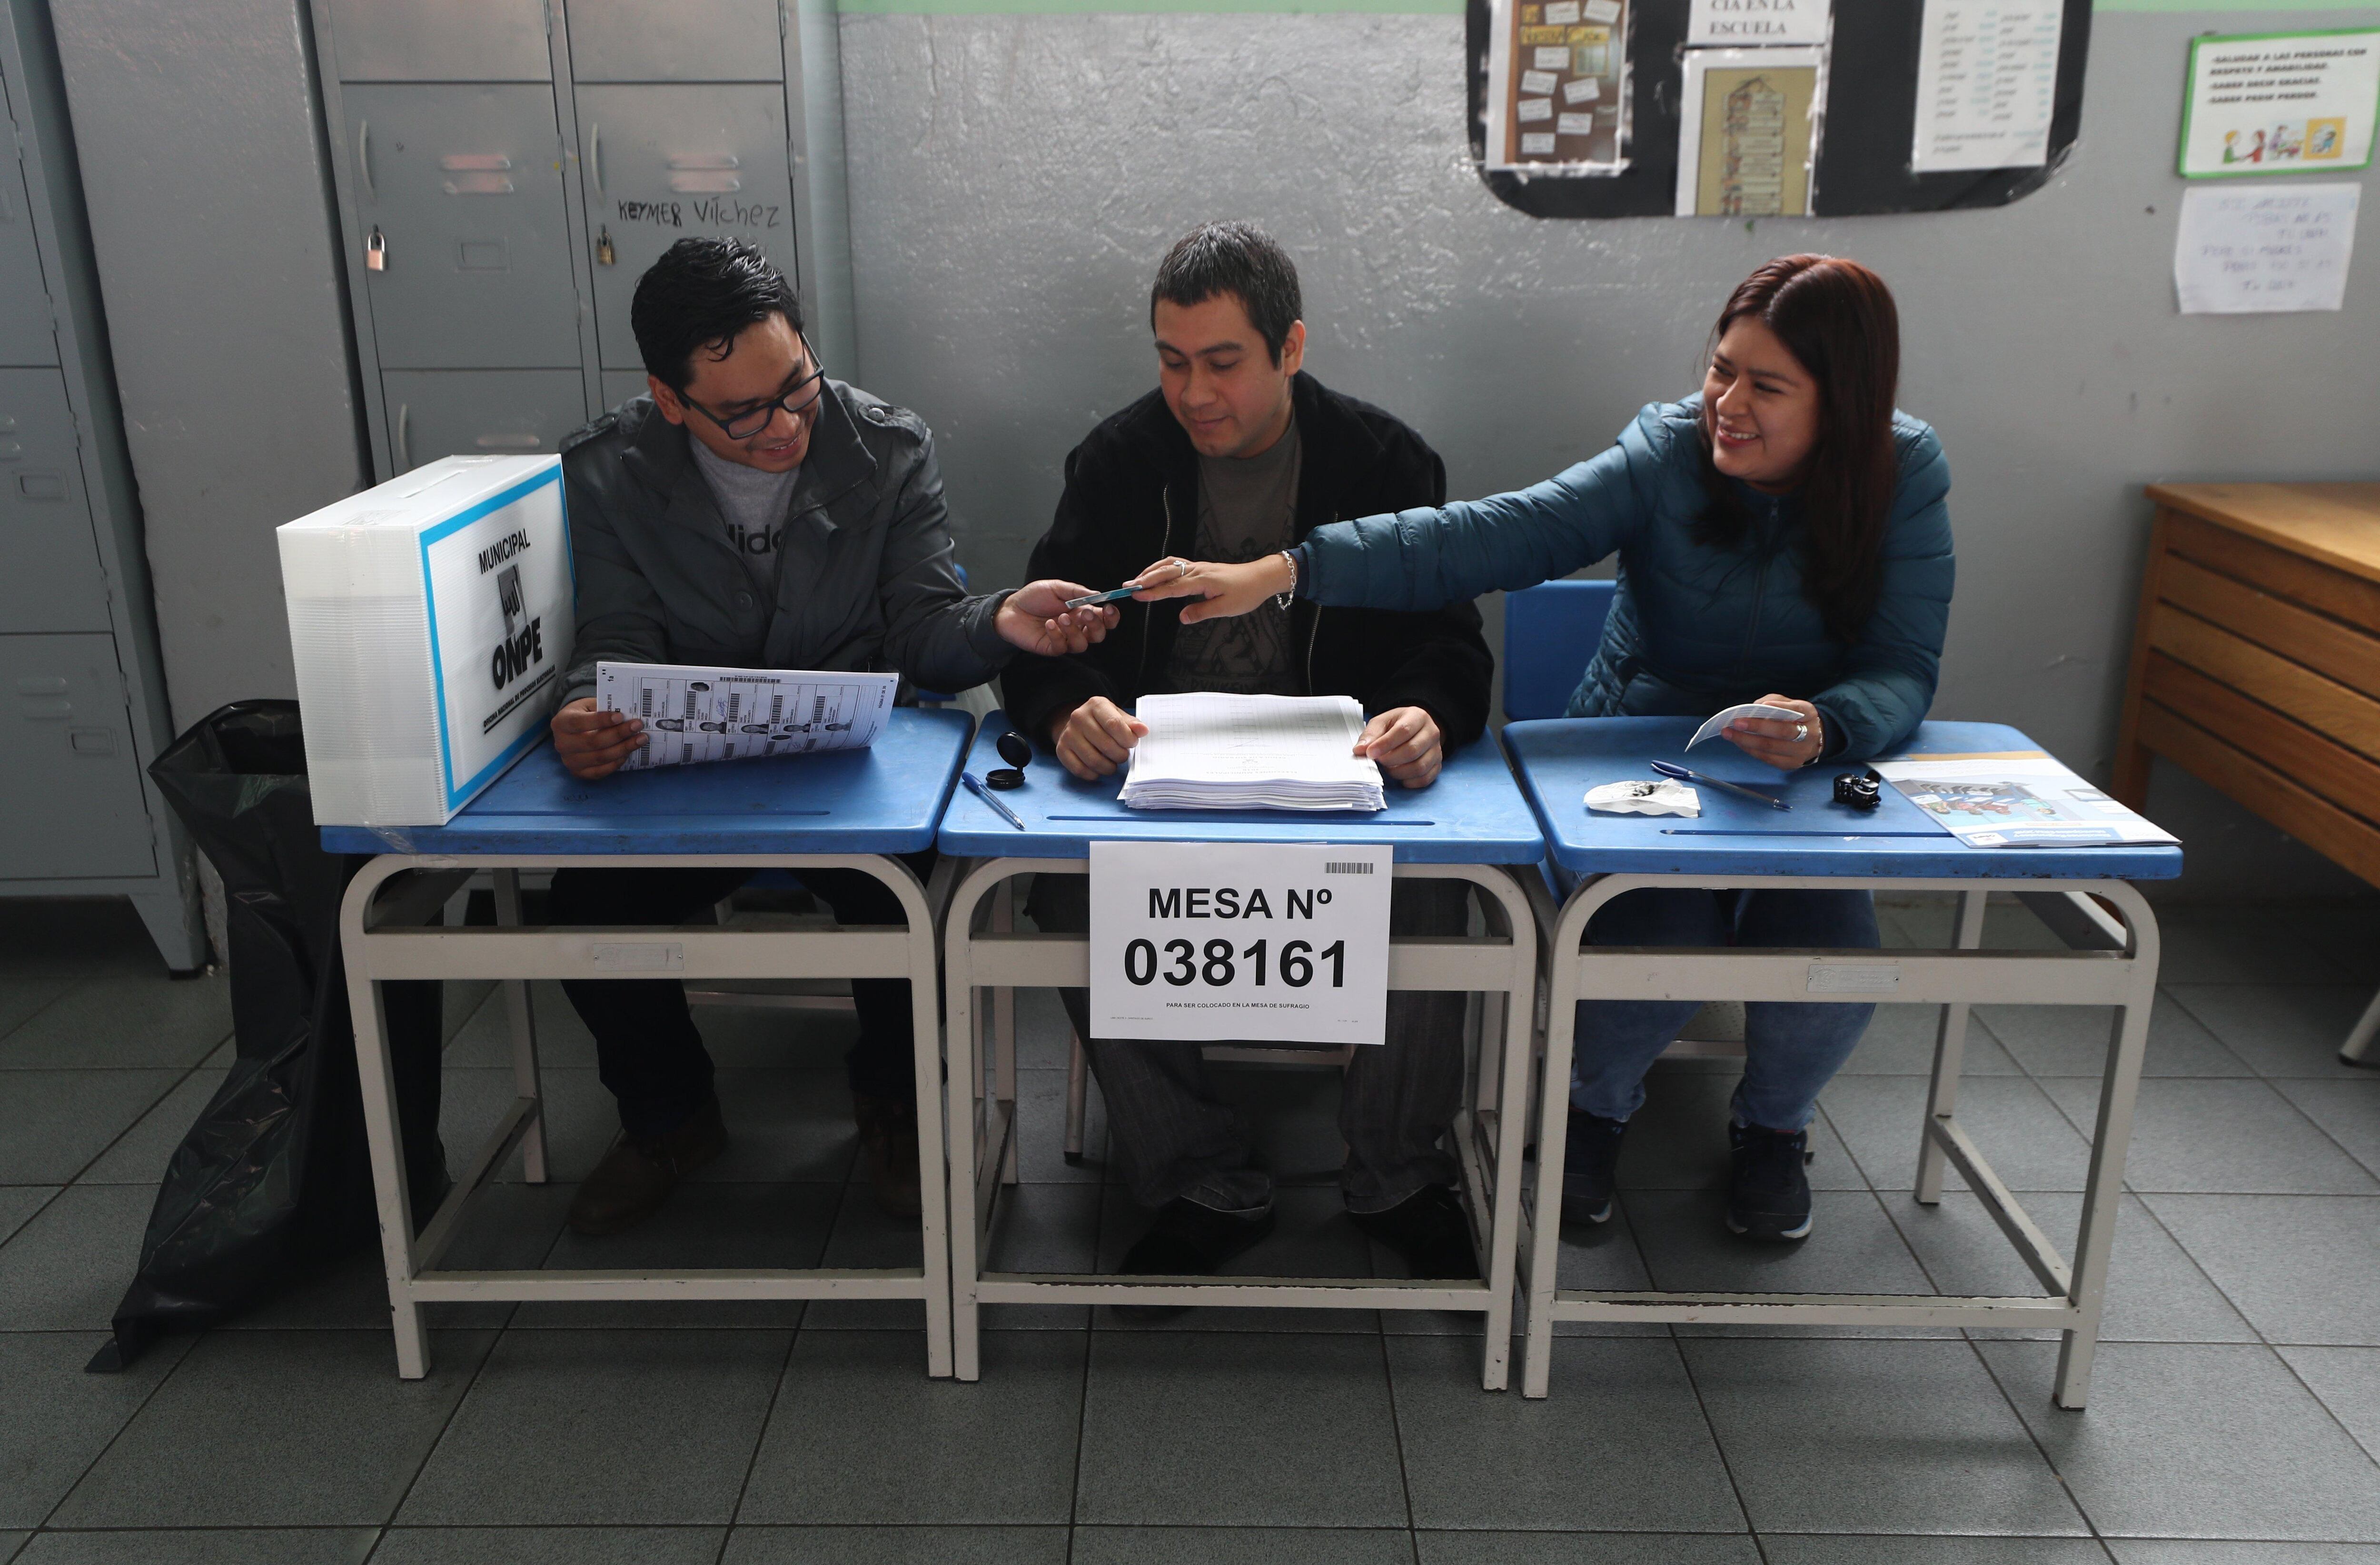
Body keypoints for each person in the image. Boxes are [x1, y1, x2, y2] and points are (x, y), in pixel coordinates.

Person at [1129, 253, 1953, 1244]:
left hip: (1805, 769)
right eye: (1720, 369)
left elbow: (1904, 664)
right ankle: (1593, 1110)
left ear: (1845, 402)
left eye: (1765, 386)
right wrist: (1286, 570)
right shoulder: (1666, 451)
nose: (1727, 403)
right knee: (1659, 945)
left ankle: (1774, 1127)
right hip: (1651, 753)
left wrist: (1831, 721)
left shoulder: (1905, 474)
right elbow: (1493, 536)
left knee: (1833, 953)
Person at [547, 237, 1115, 1236]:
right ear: (669, 400)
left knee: (912, 888)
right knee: (586, 902)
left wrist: (997, 623)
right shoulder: (607, 472)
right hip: (690, 773)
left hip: (857, 765)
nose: (785, 426)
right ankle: (670, 1118)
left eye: (797, 386)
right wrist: (587, 711)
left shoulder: (884, 449)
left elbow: (921, 631)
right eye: (743, 412)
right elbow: (615, 639)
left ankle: (894, 1105)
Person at [1002, 221, 1497, 1289]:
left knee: (1429, 898)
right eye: (1172, 361)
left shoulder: (1384, 460)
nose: (1193, 392)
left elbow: (1448, 640)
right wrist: (1065, 708)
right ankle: (1193, 1172)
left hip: (1332, 774)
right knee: (1066, 893)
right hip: (1164, 775)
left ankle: (1399, 1173)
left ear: (1291, 348)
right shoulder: (1121, 461)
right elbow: (1049, 635)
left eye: (1222, 361)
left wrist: (1425, 714)